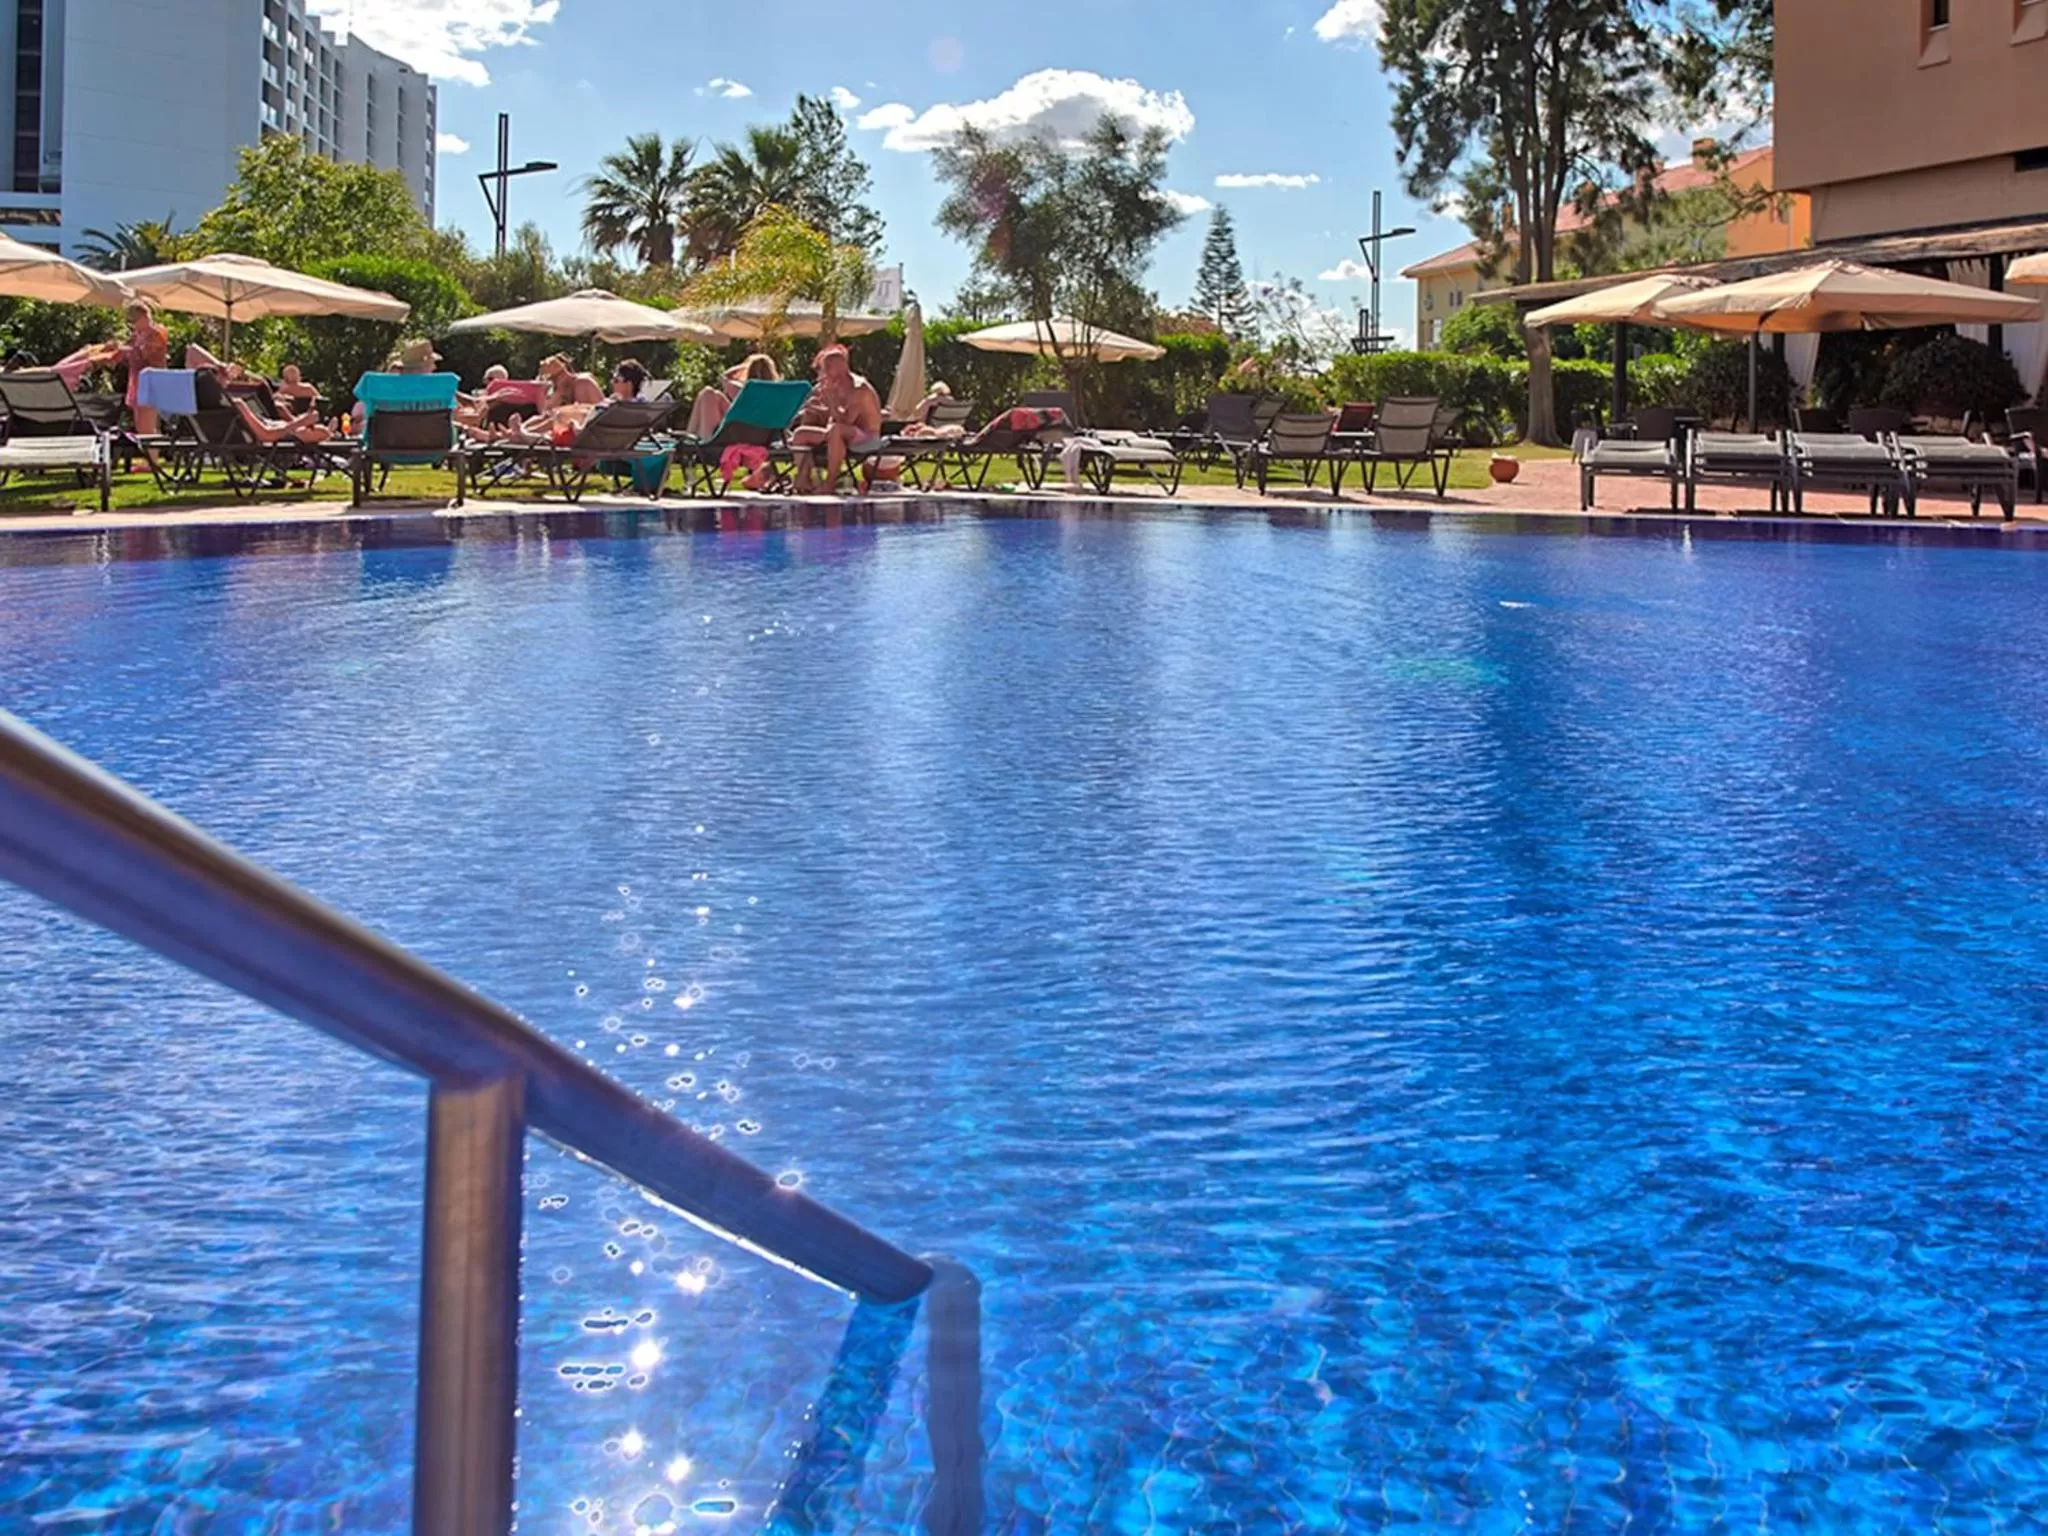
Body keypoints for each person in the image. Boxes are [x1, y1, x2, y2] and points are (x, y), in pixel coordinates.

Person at [789, 345, 881, 494]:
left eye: (824, 369)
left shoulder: (859, 389)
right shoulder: (834, 386)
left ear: (836, 369)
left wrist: (831, 401)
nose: (821, 375)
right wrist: (814, 411)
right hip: (840, 432)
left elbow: (844, 422)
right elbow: (833, 419)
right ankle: (804, 479)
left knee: (836, 430)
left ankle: (830, 483)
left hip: (866, 437)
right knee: (801, 433)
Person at [687, 353, 779, 439]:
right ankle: (690, 437)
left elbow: (724, 378)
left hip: (741, 435)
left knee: (708, 394)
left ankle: (692, 438)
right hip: (758, 435)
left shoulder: (744, 391)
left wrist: (743, 366)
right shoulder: (778, 395)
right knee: (711, 394)